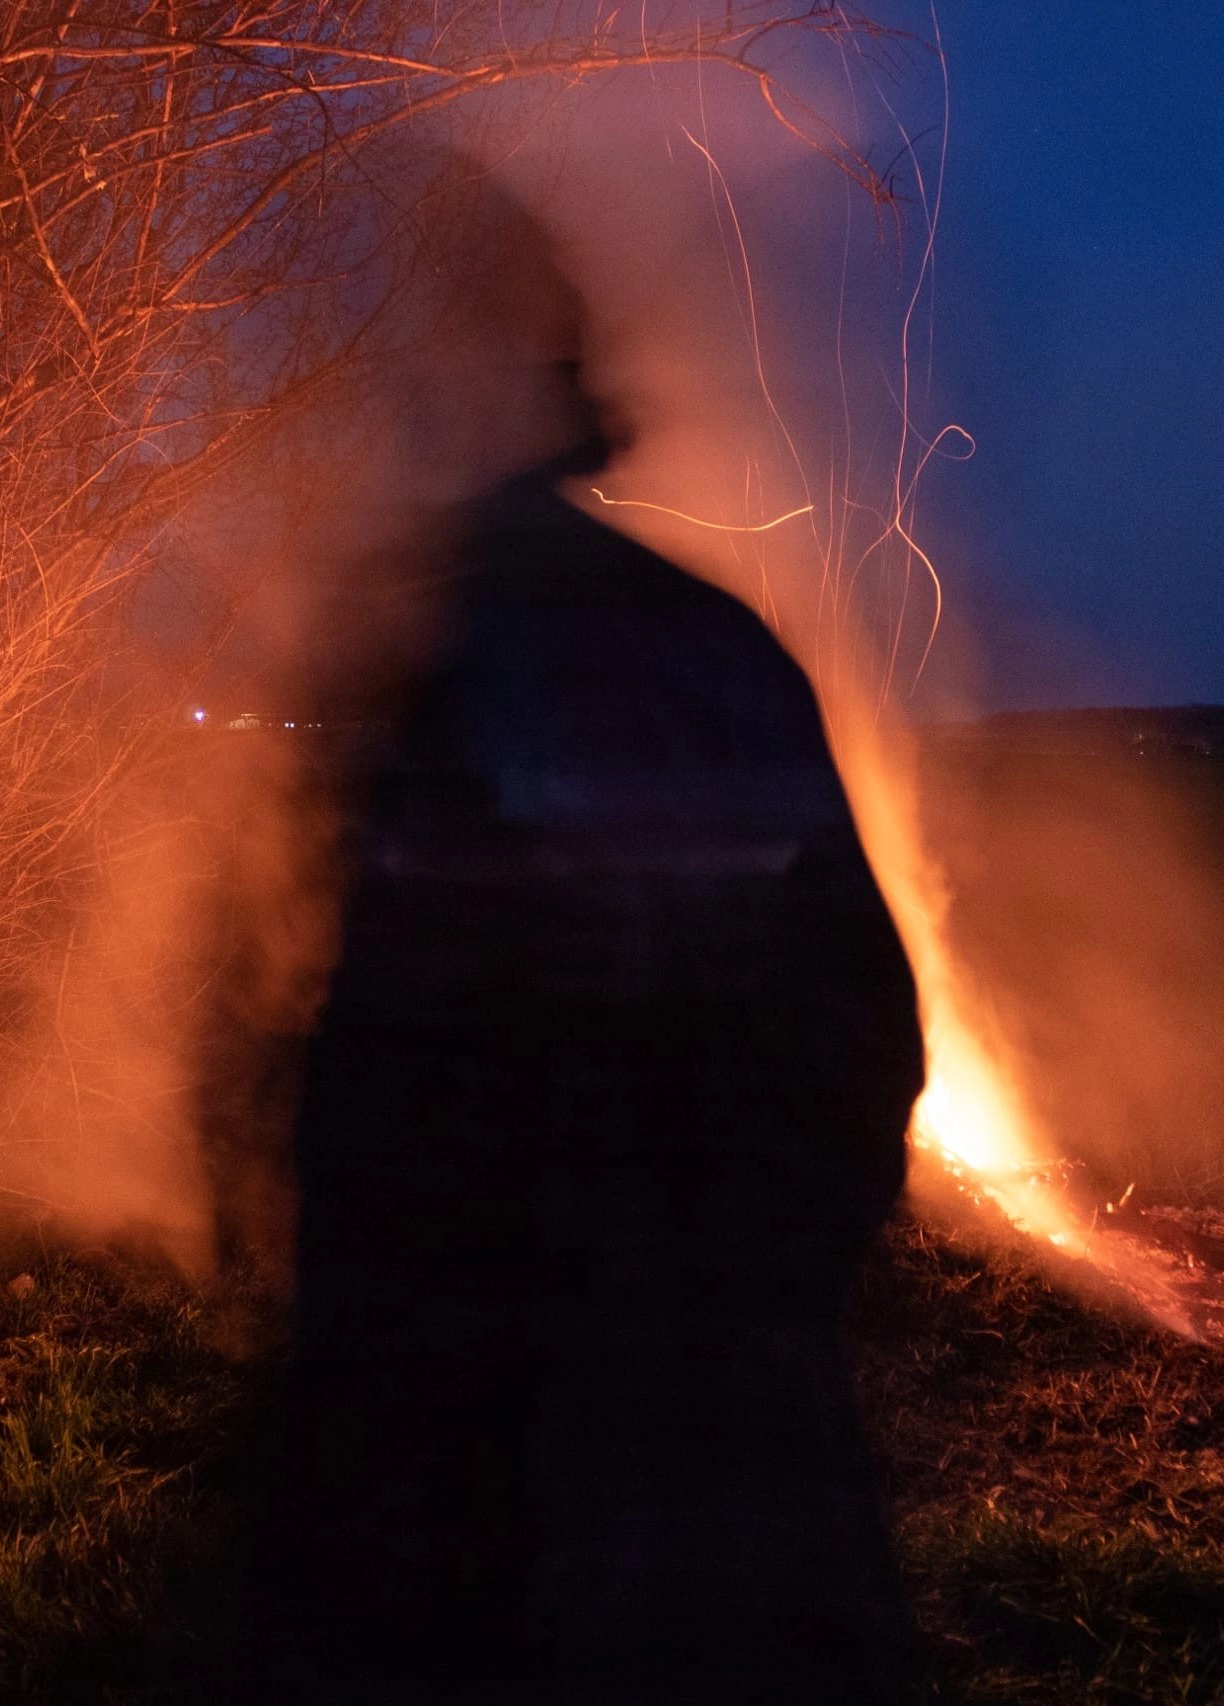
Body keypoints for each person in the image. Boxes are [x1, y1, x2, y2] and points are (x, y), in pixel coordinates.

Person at [266, 196, 923, 1705]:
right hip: (733, 1390)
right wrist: (779, 1277)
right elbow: (862, 1018)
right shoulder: (722, 646)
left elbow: (368, 1043)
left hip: (492, 1417)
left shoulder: (427, 664)